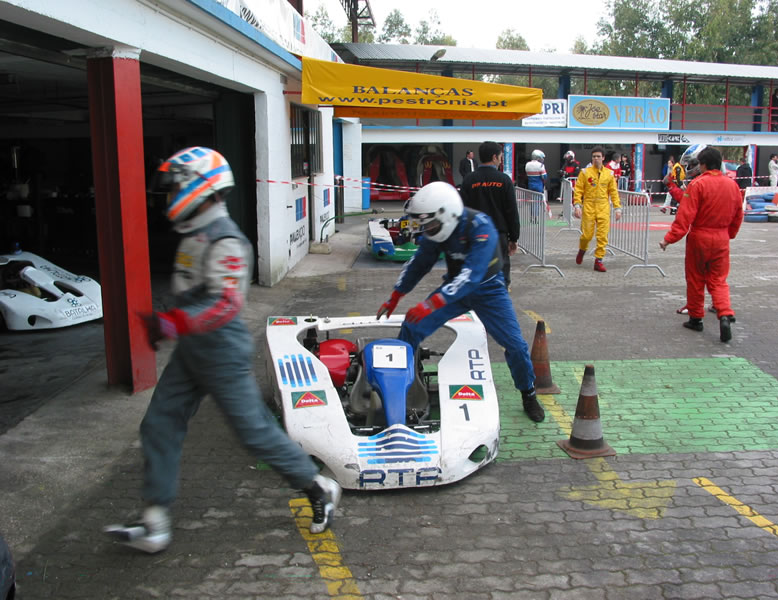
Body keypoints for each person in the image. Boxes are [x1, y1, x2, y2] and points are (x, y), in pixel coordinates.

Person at [104, 147, 342, 553]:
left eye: (177, 185)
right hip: (192, 351)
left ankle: (317, 486)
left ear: (201, 186)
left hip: (221, 352)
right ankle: (155, 523)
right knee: (159, 425)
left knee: (253, 433)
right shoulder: (195, 233)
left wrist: (170, 323)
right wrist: (175, 323)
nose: (170, 194)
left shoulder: (228, 240)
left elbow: (224, 305)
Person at [375, 181, 545, 423]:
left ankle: (528, 392)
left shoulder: (481, 226)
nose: (428, 229)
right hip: (453, 289)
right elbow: (418, 263)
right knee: (412, 326)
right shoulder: (436, 232)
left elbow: (472, 274)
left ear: (449, 214)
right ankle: (398, 386)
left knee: (516, 346)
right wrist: (396, 294)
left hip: (488, 290)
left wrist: (431, 303)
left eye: (431, 224)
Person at [659, 146, 743, 343]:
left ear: (703, 164)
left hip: (700, 238)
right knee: (718, 280)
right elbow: (738, 215)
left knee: (696, 278)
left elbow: (684, 217)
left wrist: (668, 239)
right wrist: (729, 234)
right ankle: (724, 313)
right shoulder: (732, 186)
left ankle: (696, 318)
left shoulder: (698, 185)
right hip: (721, 238)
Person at [460, 141, 520, 287]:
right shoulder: (504, 180)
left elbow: (462, 209)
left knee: (475, 270)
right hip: (498, 235)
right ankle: (500, 297)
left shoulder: (469, 179)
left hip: (474, 234)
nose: (500, 160)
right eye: (500, 157)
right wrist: (513, 238)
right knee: (500, 271)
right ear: (494, 157)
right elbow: (511, 211)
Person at [572, 146, 622, 272]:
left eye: (598, 156)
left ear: (603, 158)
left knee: (602, 235)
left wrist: (617, 208)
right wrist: (577, 205)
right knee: (587, 235)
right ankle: (582, 250)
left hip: (603, 207)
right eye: (594, 156)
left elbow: (613, 192)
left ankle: (598, 260)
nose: (596, 159)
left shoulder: (609, 174)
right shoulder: (585, 172)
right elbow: (578, 190)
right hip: (589, 206)